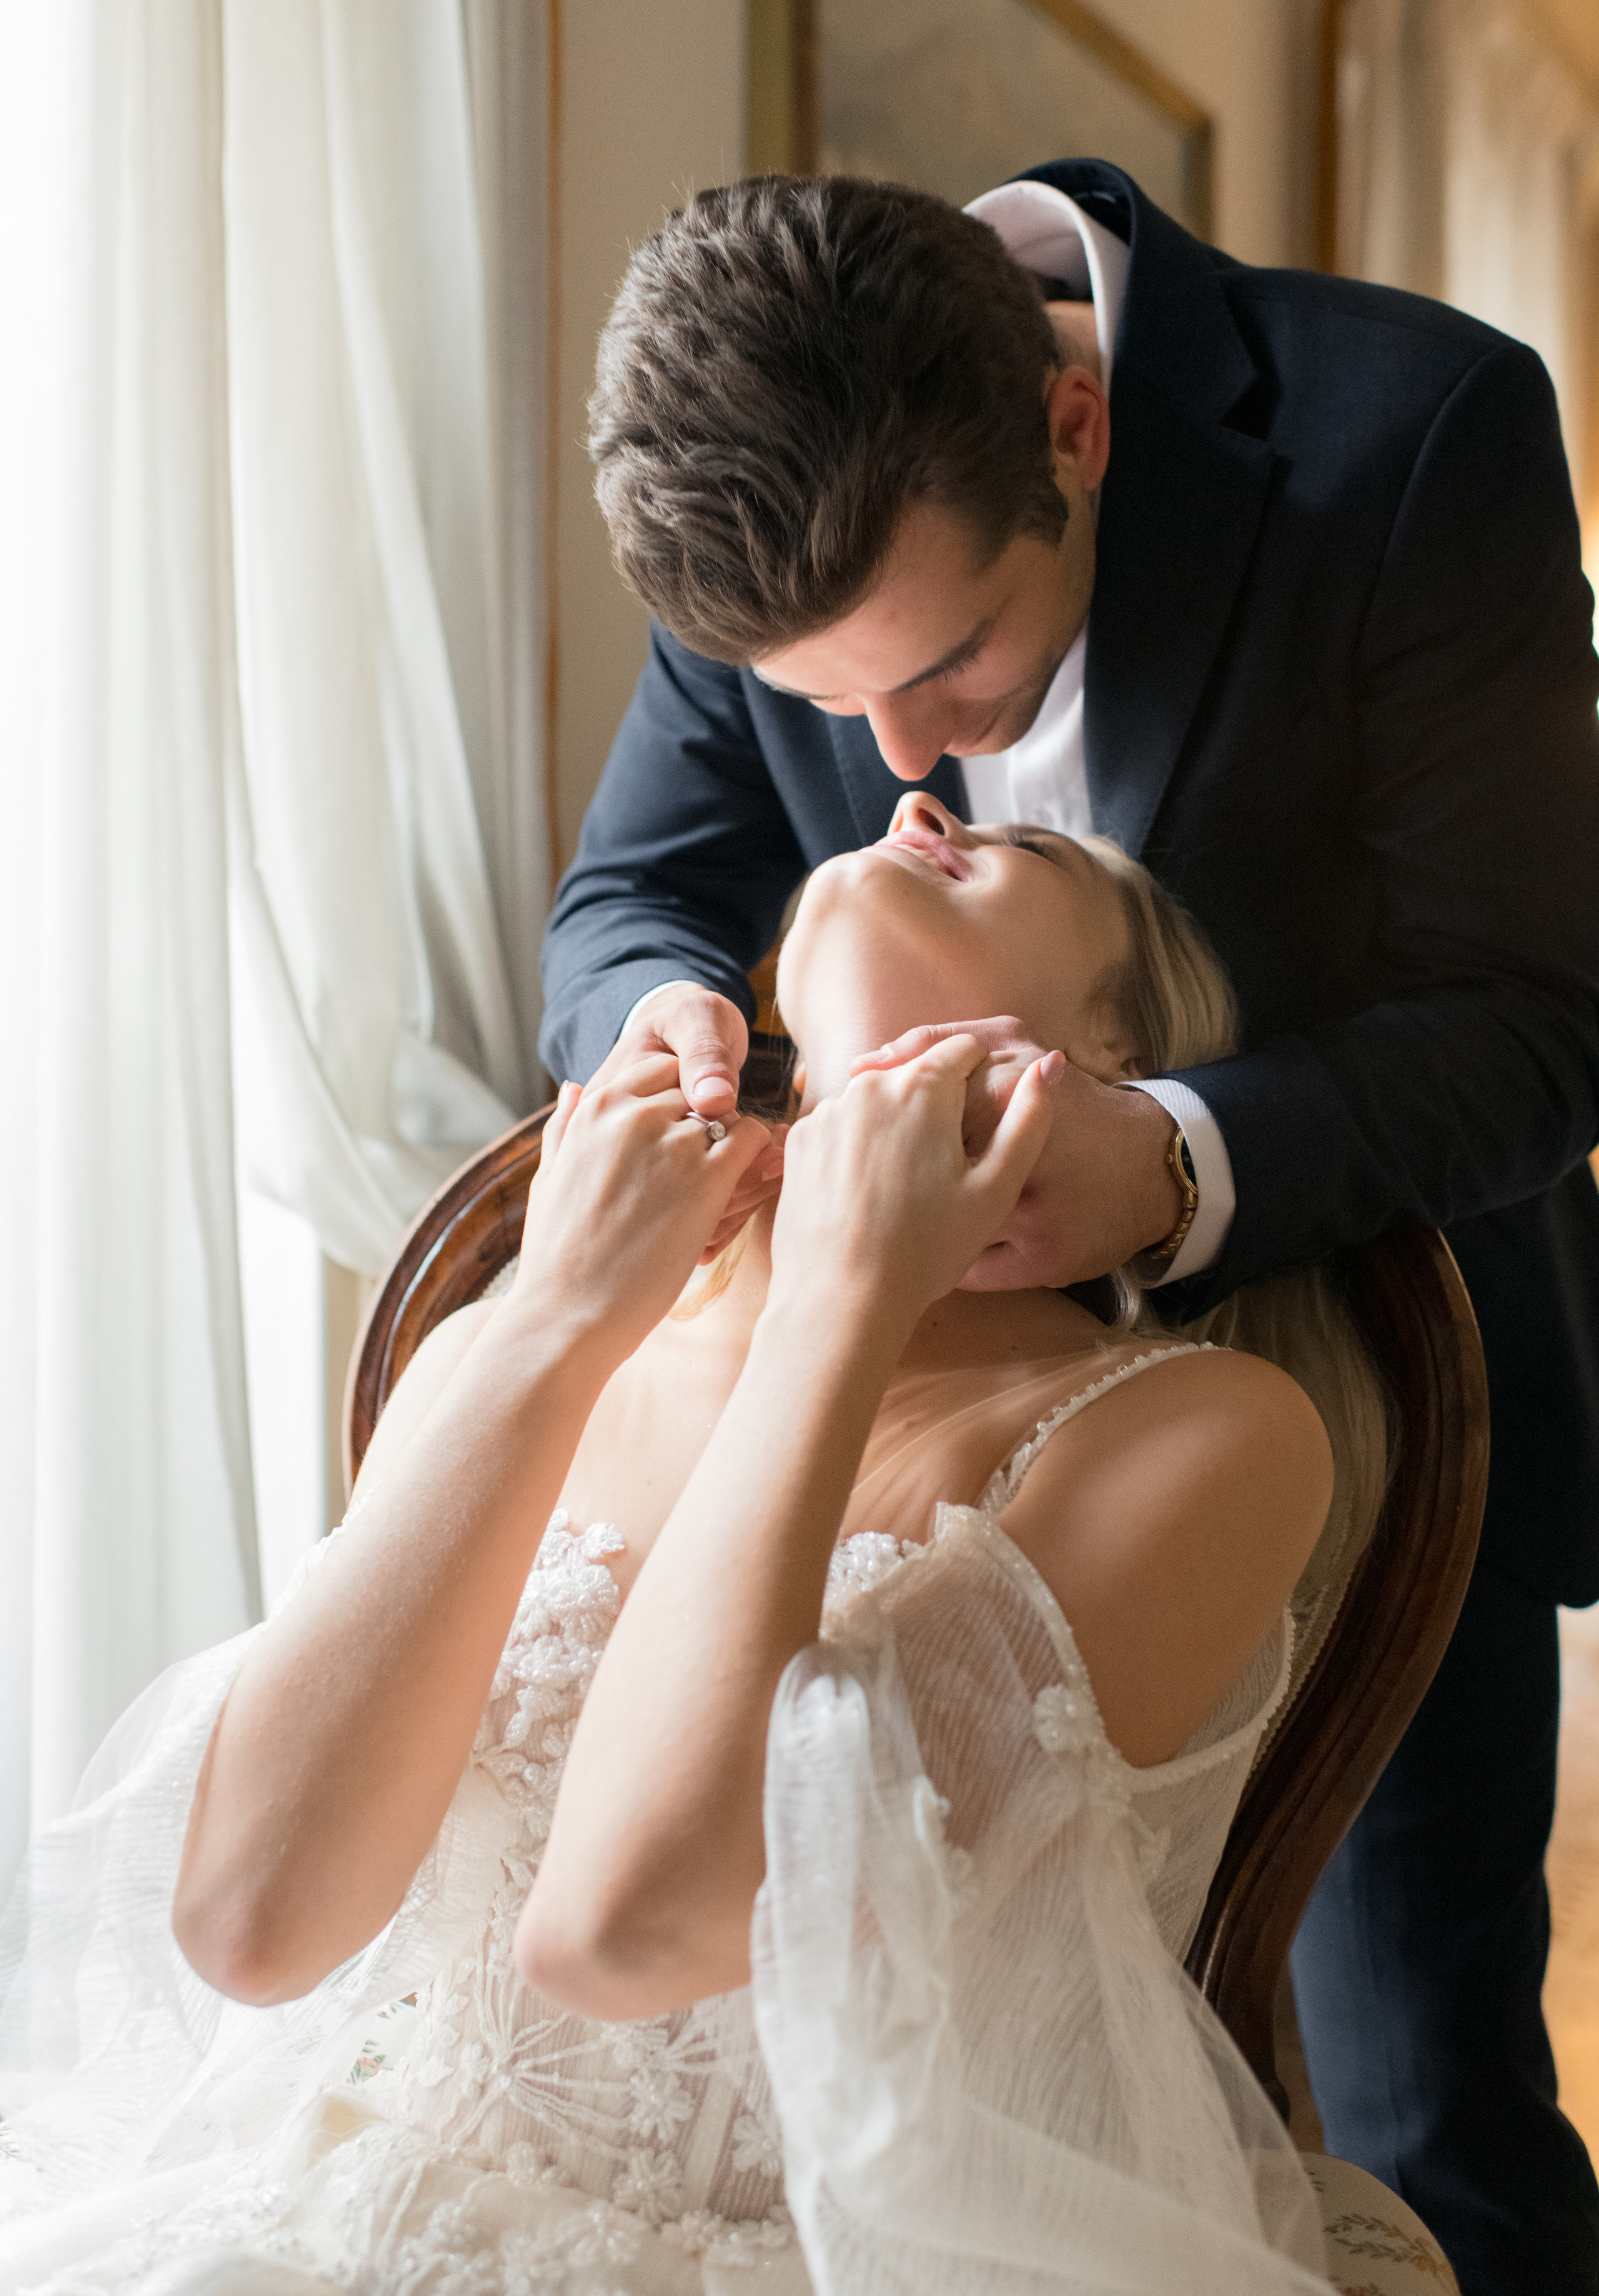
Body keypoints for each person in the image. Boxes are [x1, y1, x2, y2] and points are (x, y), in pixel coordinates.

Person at [540, 162, 1599, 2294]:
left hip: (1366, 1413)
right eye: (823, 701)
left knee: (1427, 2110)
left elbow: (1545, 1015)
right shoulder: (772, 477)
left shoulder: (1413, 440)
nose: (896, 766)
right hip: (890, 1440)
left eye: (946, 667)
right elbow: (628, 899)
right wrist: (664, 1019)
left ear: (1077, 427)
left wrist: (1186, 1157)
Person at [0, 813, 1409, 2294]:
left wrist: (835, 1305)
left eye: (1014, 850)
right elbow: (250, 1922)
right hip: (333, 2219)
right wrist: (551, 1313)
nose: (915, 803)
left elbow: (624, 1929)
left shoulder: (1197, 1439)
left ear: (1106, 1069)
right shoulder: (529, 1337)